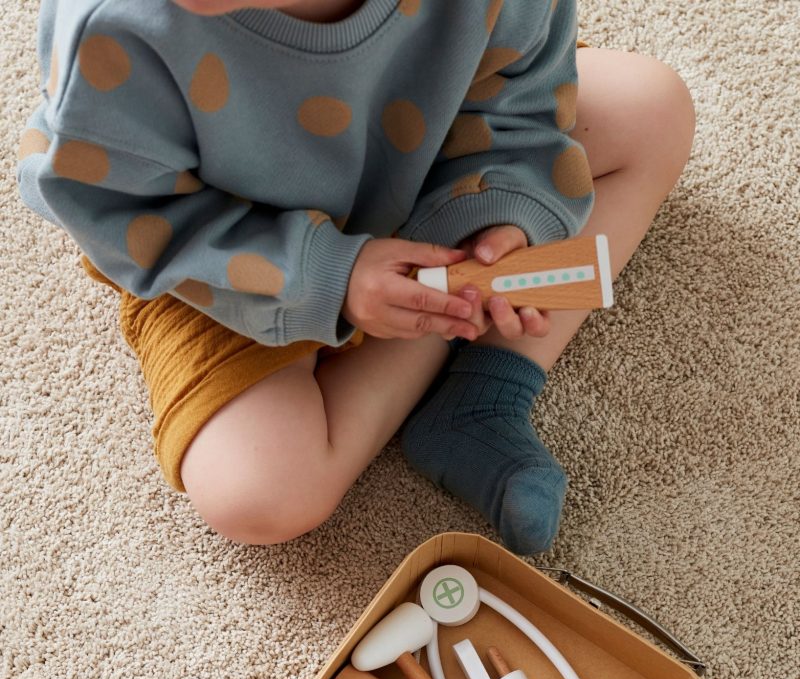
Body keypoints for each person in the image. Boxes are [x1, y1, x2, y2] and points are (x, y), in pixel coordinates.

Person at [16, 0, 694, 553]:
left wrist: (500, 215)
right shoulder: (113, 25)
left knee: (653, 109)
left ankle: (483, 393)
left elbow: (517, 101)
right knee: (261, 493)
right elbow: (121, 212)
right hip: (230, 257)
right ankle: (450, 332)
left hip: (424, 162)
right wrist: (330, 278)